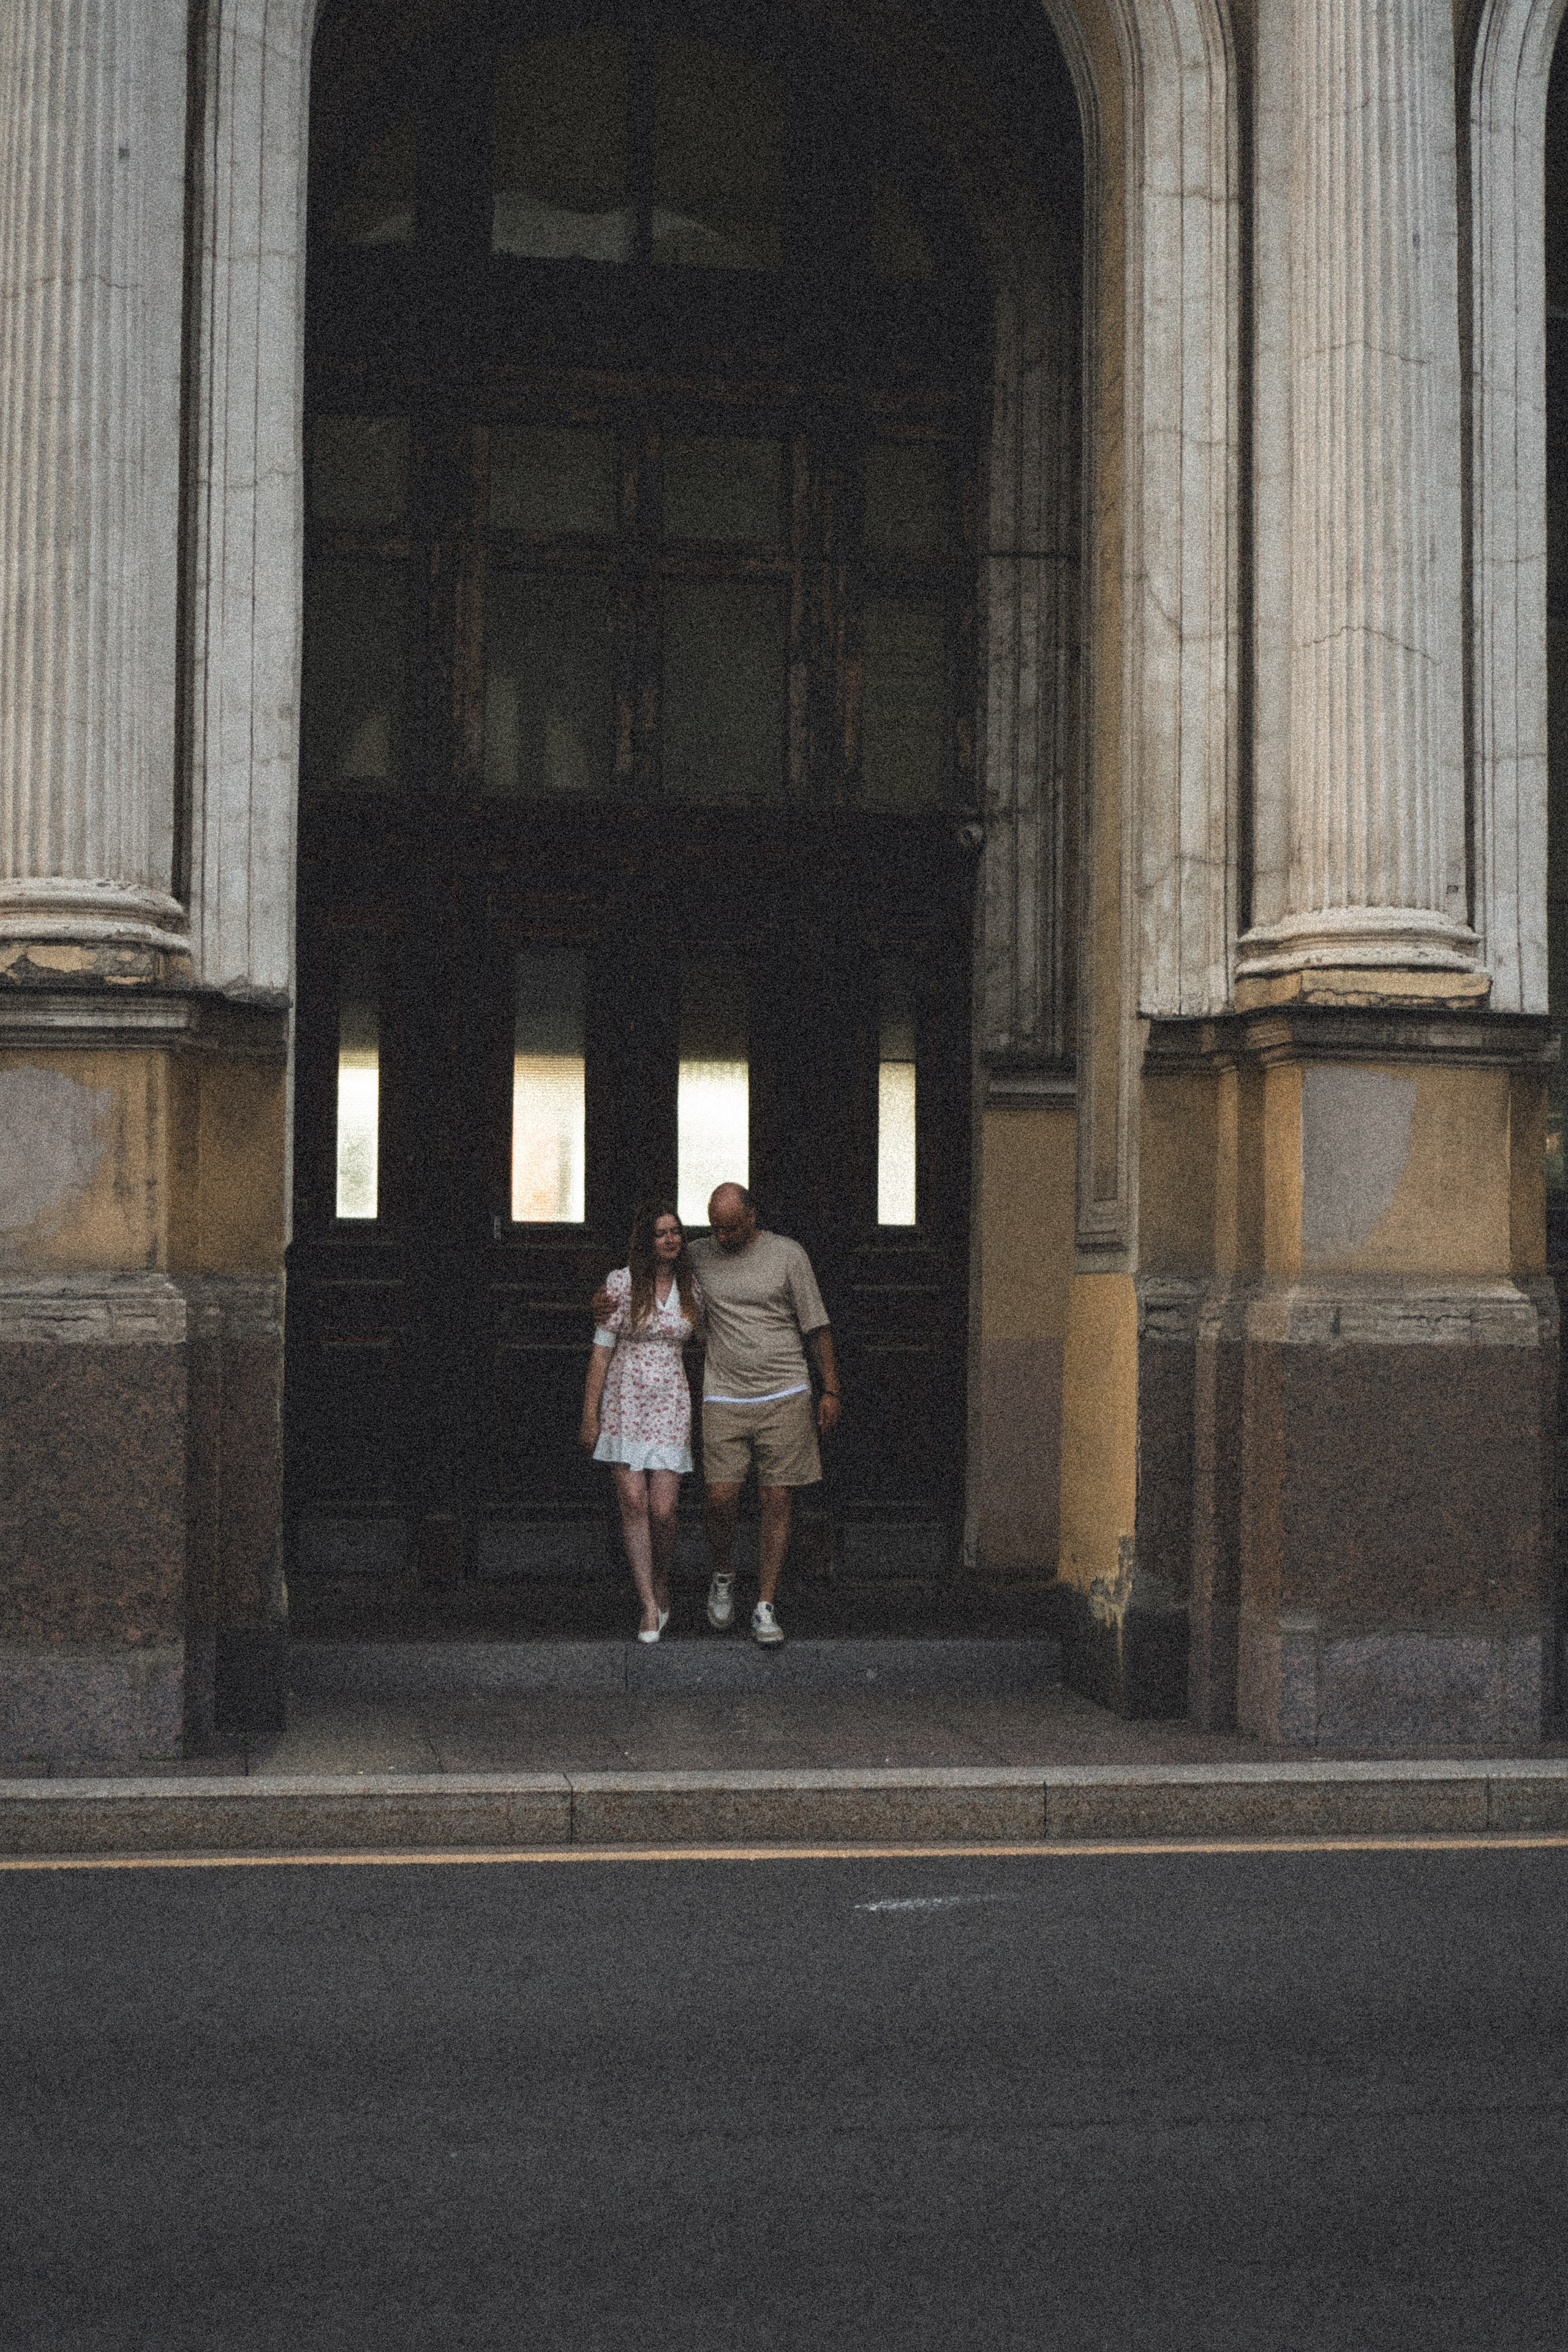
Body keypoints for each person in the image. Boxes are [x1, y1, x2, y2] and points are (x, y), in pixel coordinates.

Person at [601, 1182, 840, 1646]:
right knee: (720, 1498)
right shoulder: (697, 1255)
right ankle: (724, 1572)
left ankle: (765, 1604)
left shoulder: (789, 1255)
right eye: (715, 1228)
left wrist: (831, 1388)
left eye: (731, 1227)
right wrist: (601, 1305)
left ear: (753, 1215)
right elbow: (648, 1273)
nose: (723, 1237)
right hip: (725, 1394)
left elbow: (817, 1325)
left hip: (786, 1390)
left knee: (777, 1499)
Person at [579, 1199, 704, 1643]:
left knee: (664, 1509)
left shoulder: (693, 1287)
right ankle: (648, 1604)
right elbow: (601, 1350)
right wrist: (589, 1415)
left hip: (670, 1399)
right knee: (633, 1502)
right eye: (661, 1233)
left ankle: (662, 1578)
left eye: (675, 1232)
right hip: (624, 1398)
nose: (670, 1239)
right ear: (646, 1241)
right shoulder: (621, 1284)